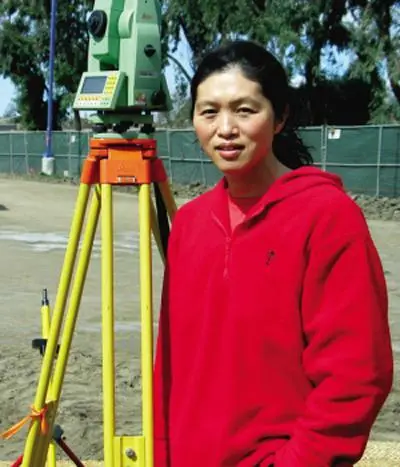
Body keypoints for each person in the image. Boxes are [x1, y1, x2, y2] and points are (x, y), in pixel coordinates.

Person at [153, 40, 393, 467]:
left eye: (245, 110)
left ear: (280, 117)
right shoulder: (189, 224)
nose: (225, 128)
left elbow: (355, 378)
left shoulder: (327, 217)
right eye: (209, 112)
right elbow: (171, 367)